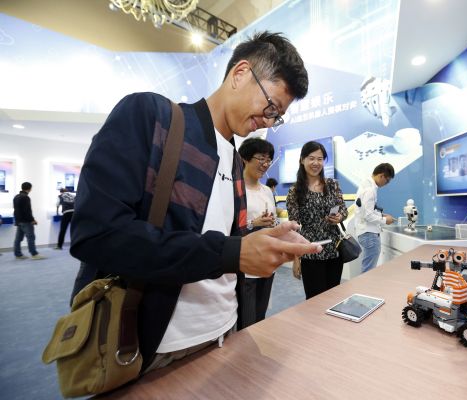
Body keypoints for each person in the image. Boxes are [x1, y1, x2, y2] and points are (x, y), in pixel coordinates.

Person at [69, 31, 321, 374]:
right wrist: (231, 253)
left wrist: (263, 241)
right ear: (240, 73)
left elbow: (220, 242)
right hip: (152, 349)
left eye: (277, 116)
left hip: (227, 333)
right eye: (271, 106)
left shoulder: (234, 161)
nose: (268, 121)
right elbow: (97, 234)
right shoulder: (151, 116)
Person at [286, 141, 348, 299]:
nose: (316, 163)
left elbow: (343, 209)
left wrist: (339, 217)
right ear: (302, 160)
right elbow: (293, 228)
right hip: (310, 252)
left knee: (333, 297)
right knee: (314, 299)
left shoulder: (332, 185)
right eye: (311, 158)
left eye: (320, 159)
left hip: (334, 250)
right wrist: (296, 259)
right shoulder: (295, 191)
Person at [238, 138, 278, 328]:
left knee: (260, 317)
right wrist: (253, 223)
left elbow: (274, 220)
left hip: (267, 261)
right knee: (246, 320)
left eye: (268, 160)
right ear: (245, 158)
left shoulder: (267, 191)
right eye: (261, 158)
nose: (265, 164)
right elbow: (229, 226)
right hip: (245, 263)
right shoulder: (236, 189)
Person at [354, 163, 395, 273]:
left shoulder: (365, 185)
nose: (386, 184)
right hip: (369, 234)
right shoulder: (370, 190)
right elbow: (368, 215)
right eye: (387, 181)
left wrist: (381, 215)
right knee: (369, 270)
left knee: (367, 268)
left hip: (364, 232)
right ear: (381, 176)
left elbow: (366, 211)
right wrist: (385, 220)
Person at [13, 182, 45, 260]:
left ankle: (18, 254)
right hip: (26, 221)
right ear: (30, 188)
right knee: (31, 237)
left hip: (19, 221)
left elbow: (16, 210)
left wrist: (17, 221)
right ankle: (34, 254)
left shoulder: (16, 197)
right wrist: (32, 220)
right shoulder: (26, 197)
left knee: (18, 239)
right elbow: (27, 211)